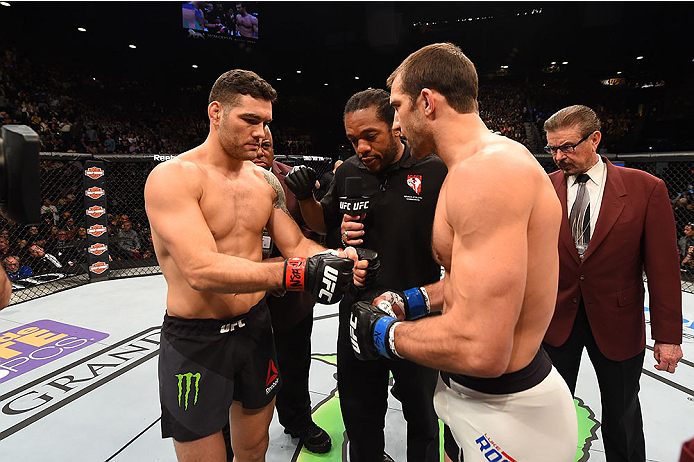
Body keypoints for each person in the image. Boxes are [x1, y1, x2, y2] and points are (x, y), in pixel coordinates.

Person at [349, 43, 578, 461]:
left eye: (398, 107)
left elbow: (482, 347)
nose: (396, 123)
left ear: (427, 101)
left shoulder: (487, 173)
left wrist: (382, 334)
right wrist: (411, 300)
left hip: (508, 411)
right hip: (481, 399)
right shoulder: (473, 166)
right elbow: (469, 284)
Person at [143, 69, 373, 462]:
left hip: (255, 329)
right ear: (215, 113)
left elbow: (296, 242)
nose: (261, 133)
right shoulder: (174, 177)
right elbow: (200, 270)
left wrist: (336, 258)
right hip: (197, 341)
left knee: (254, 449)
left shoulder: (263, 181)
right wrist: (295, 274)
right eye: (249, 120)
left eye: (266, 122)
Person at [285, 88, 447, 462]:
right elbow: (323, 225)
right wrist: (309, 200)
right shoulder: (350, 172)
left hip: (416, 315)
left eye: (369, 136)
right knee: (359, 413)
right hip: (357, 312)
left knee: (423, 415)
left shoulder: (435, 169)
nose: (360, 147)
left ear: (394, 126)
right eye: (353, 139)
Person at [541, 104, 683, 462]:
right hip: (556, 320)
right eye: (552, 148)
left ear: (595, 140)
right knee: (547, 416)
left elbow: (664, 268)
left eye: (567, 147)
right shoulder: (542, 187)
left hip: (620, 322)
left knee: (622, 419)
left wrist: (667, 337)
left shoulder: (646, 188)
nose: (559, 157)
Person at [249, 125, 331, 453]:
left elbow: (311, 235)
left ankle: (298, 421)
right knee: (239, 371)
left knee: (295, 364)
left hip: (291, 302)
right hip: (237, 301)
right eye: (253, 143)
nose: (259, 149)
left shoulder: (291, 181)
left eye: (265, 144)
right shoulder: (216, 182)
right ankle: (230, 435)